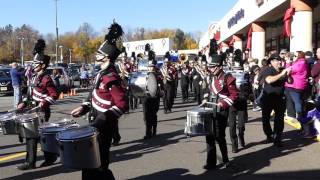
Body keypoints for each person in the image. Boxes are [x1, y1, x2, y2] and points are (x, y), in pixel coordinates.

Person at [71, 22, 128, 179]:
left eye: (99, 54)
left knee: (100, 166)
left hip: (104, 126)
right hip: (95, 123)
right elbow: (94, 95)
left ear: (106, 57)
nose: (96, 56)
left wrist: (104, 118)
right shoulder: (101, 74)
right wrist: (84, 107)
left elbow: (122, 104)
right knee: (89, 164)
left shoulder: (111, 77)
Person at [17, 39, 59, 170]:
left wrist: (44, 102)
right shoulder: (35, 77)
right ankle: (49, 155)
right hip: (33, 109)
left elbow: (54, 94)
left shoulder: (46, 78)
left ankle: (32, 162)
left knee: (33, 136)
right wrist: (23, 103)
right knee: (35, 135)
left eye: (36, 63)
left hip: (41, 111)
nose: (33, 65)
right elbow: (30, 94)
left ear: (42, 65)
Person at [201, 38, 238, 170]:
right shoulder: (211, 78)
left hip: (221, 110)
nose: (211, 69)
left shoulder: (228, 78)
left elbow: (234, 95)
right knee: (209, 136)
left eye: (213, 67)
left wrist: (223, 103)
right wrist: (205, 98)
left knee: (219, 136)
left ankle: (226, 159)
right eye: (210, 67)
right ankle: (211, 162)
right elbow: (208, 90)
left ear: (220, 66)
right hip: (210, 108)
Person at [260, 53, 292, 147]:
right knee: (265, 119)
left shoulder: (282, 70)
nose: (278, 62)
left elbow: (290, 81)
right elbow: (269, 80)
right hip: (268, 98)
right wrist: (281, 74)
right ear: (272, 62)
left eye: (279, 60)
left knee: (279, 119)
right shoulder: (268, 70)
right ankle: (269, 135)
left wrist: (288, 75)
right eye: (276, 60)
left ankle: (277, 138)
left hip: (280, 98)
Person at [142, 60, 163, 139]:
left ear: (154, 67)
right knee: (146, 115)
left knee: (153, 115)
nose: (150, 68)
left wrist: (162, 91)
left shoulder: (158, 75)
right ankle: (148, 132)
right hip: (146, 97)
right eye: (149, 67)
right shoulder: (144, 75)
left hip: (154, 97)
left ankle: (154, 130)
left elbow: (162, 86)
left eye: (152, 67)